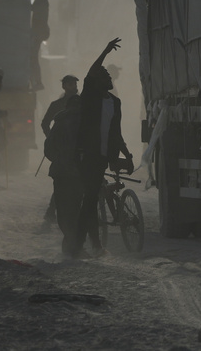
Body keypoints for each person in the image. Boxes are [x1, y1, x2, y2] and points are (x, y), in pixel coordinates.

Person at [71, 38, 134, 258]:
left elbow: (116, 133)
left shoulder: (114, 103)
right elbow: (91, 72)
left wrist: (127, 155)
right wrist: (105, 51)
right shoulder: (90, 98)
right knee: (89, 200)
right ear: (97, 82)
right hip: (87, 156)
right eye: (104, 75)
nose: (108, 77)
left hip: (102, 157)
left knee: (90, 201)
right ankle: (80, 247)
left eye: (108, 75)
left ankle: (90, 246)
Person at [44, 94, 83, 254]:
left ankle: (70, 242)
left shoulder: (58, 123)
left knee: (62, 210)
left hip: (60, 172)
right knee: (76, 208)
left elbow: (48, 150)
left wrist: (59, 159)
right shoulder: (85, 124)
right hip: (77, 172)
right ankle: (74, 245)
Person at [39, 74, 80, 225]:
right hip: (63, 150)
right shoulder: (56, 105)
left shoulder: (82, 103)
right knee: (62, 180)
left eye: (74, 84)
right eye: (70, 84)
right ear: (64, 87)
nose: (73, 87)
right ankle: (52, 210)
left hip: (78, 148)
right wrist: (52, 139)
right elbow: (45, 123)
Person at [24, 0, 50, 90]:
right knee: (33, 57)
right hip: (38, 32)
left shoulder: (41, 2)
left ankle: (37, 81)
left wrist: (23, 1)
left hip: (39, 33)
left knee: (33, 57)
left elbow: (32, 9)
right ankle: (36, 81)